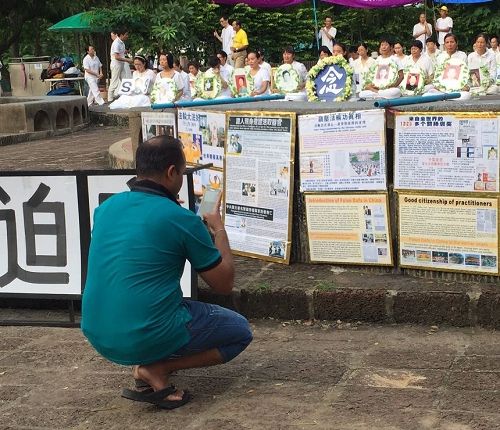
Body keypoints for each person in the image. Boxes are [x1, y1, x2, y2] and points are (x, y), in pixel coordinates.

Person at [81, 135, 252, 410]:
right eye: (182, 173)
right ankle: (158, 368)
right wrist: (217, 228)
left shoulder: (107, 208)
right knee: (239, 330)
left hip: (97, 330)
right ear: (172, 172)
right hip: (144, 331)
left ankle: (151, 363)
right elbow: (224, 283)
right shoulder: (181, 219)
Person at [108, 29, 134, 103]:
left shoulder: (122, 43)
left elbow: (121, 52)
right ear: (121, 35)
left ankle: (125, 95)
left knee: (124, 79)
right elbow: (116, 57)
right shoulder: (116, 43)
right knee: (114, 81)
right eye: (126, 34)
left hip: (121, 64)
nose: (127, 36)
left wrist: (126, 51)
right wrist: (128, 60)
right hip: (116, 64)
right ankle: (110, 98)